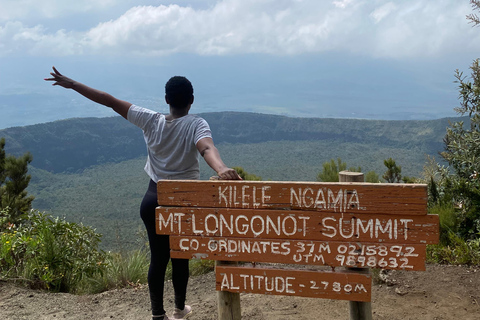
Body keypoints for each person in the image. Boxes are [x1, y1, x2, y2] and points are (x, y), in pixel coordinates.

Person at [45, 67, 242, 320]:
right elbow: (206, 148)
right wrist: (222, 168)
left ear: (166, 100)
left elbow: (109, 100)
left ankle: (157, 315)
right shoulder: (197, 124)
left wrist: (73, 84)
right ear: (191, 100)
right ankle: (179, 310)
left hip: (153, 199)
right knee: (180, 257)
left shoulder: (150, 120)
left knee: (158, 259)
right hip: (182, 203)